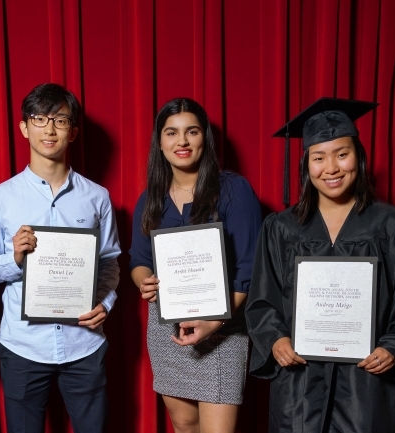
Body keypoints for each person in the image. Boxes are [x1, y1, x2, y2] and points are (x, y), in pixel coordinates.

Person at [245, 97, 395, 432]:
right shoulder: (281, 228)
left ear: (358, 158)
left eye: (342, 154)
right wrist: (275, 339)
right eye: (319, 158)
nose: (331, 168)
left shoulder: (394, 226)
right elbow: (263, 298)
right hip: (299, 385)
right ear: (306, 165)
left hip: (367, 384)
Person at [0, 83, 120, 433]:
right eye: (39, 119)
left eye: (59, 119)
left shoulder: (97, 198)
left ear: (73, 132)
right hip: (23, 343)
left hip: (83, 342)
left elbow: (110, 262)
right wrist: (14, 258)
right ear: (25, 128)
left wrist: (106, 303)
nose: (50, 129)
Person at [129, 98, 262, 433]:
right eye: (171, 133)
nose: (182, 141)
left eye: (192, 131)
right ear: (160, 142)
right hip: (168, 329)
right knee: (184, 425)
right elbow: (139, 261)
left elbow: (248, 268)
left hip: (224, 328)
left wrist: (213, 322)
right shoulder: (149, 199)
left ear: (205, 138)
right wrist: (143, 282)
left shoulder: (234, 190)